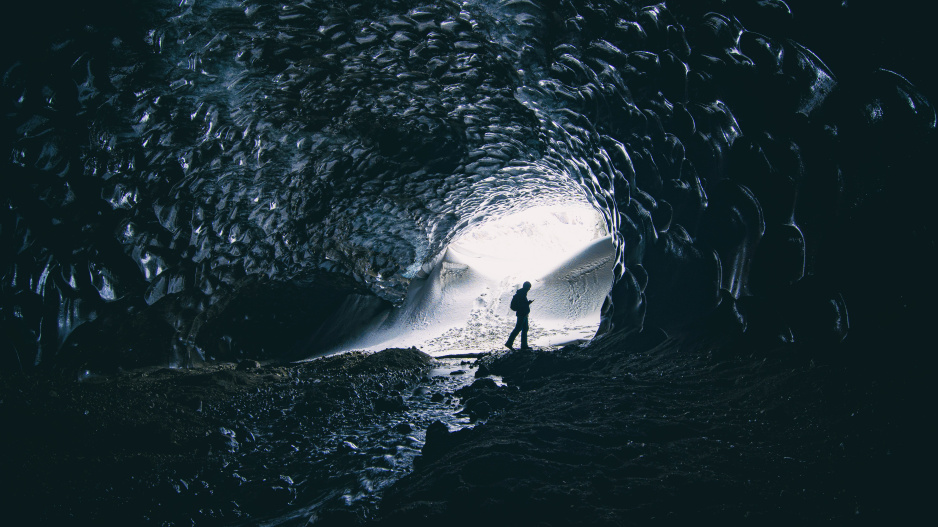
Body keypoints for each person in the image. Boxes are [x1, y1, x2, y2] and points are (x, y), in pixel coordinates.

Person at [506, 281, 533, 350]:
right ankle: (510, 343)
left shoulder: (521, 293)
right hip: (522, 314)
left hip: (523, 314)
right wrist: (527, 303)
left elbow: (521, 304)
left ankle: (523, 345)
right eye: (529, 287)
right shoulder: (522, 294)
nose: (529, 289)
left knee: (524, 328)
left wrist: (527, 303)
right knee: (519, 328)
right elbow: (522, 305)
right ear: (526, 287)